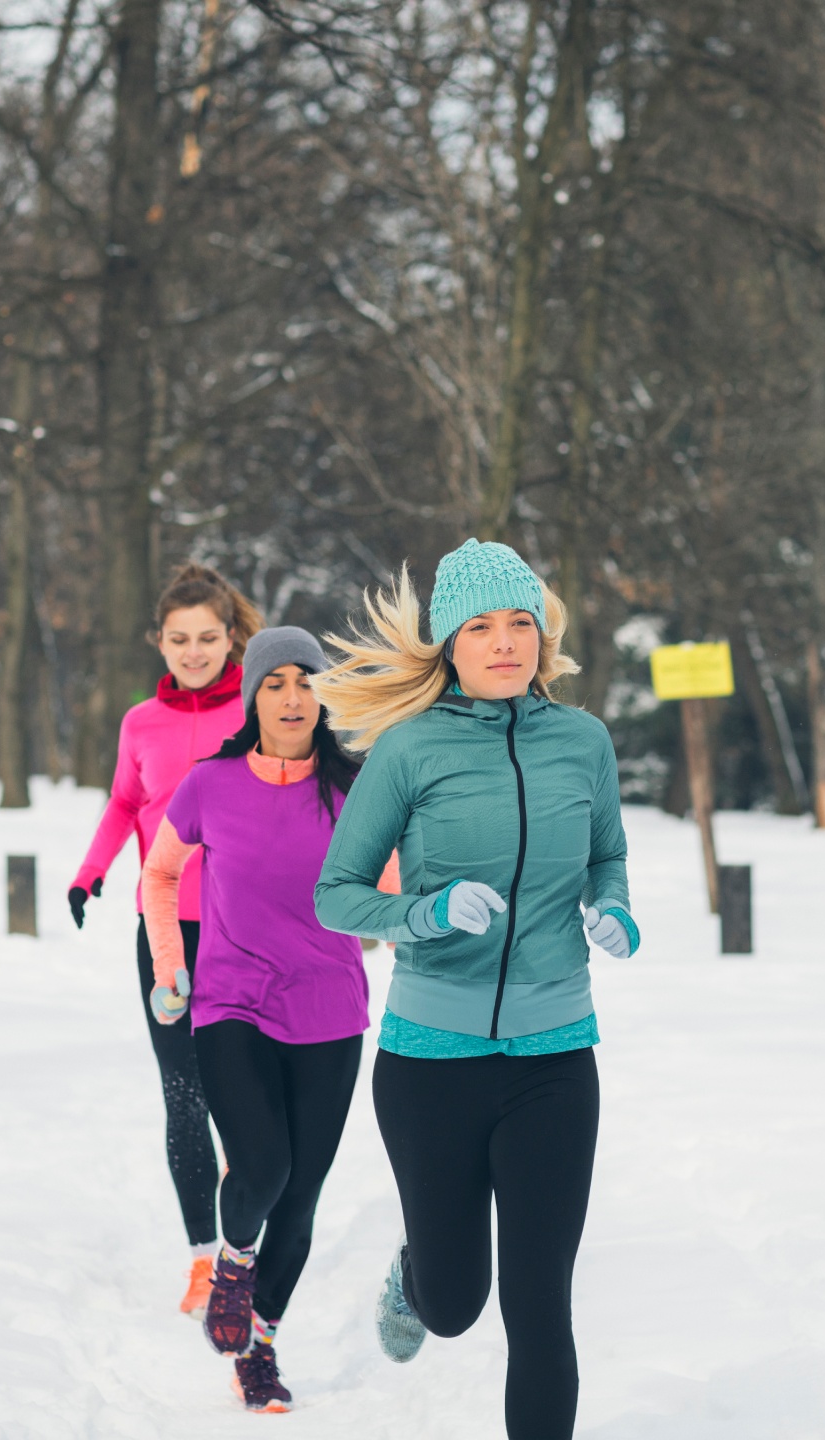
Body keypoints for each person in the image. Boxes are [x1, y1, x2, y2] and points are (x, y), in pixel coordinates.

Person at [312, 539, 639, 1440]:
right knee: (456, 1305)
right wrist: (426, 913)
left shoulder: (583, 741)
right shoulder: (409, 751)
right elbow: (335, 894)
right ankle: (419, 1273)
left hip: (555, 1058)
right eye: (482, 627)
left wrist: (613, 907)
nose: (505, 643)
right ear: (449, 645)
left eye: (521, 623)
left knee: (540, 1308)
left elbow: (606, 852)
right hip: (431, 1063)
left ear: (544, 634)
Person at [141, 626, 391, 1414]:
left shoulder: (355, 790)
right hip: (230, 1004)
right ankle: (232, 1259)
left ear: (325, 695)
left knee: (301, 1195)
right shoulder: (210, 784)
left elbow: (385, 901)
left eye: (305, 681)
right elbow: (160, 871)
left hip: (328, 1011)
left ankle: (261, 1346)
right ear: (252, 695)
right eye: (275, 682)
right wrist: (169, 965)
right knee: (263, 1168)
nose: (292, 696)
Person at [68, 562, 263, 1318]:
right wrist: (89, 875)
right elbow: (125, 802)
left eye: (207, 637)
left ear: (231, 636)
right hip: (165, 932)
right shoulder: (139, 724)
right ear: (160, 640)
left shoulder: (259, 708)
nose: (193, 651)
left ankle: (249, 1244)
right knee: (184, 1098)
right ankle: (202, 1262)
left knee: (241, 1098)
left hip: (248, 930)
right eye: (179, 639)